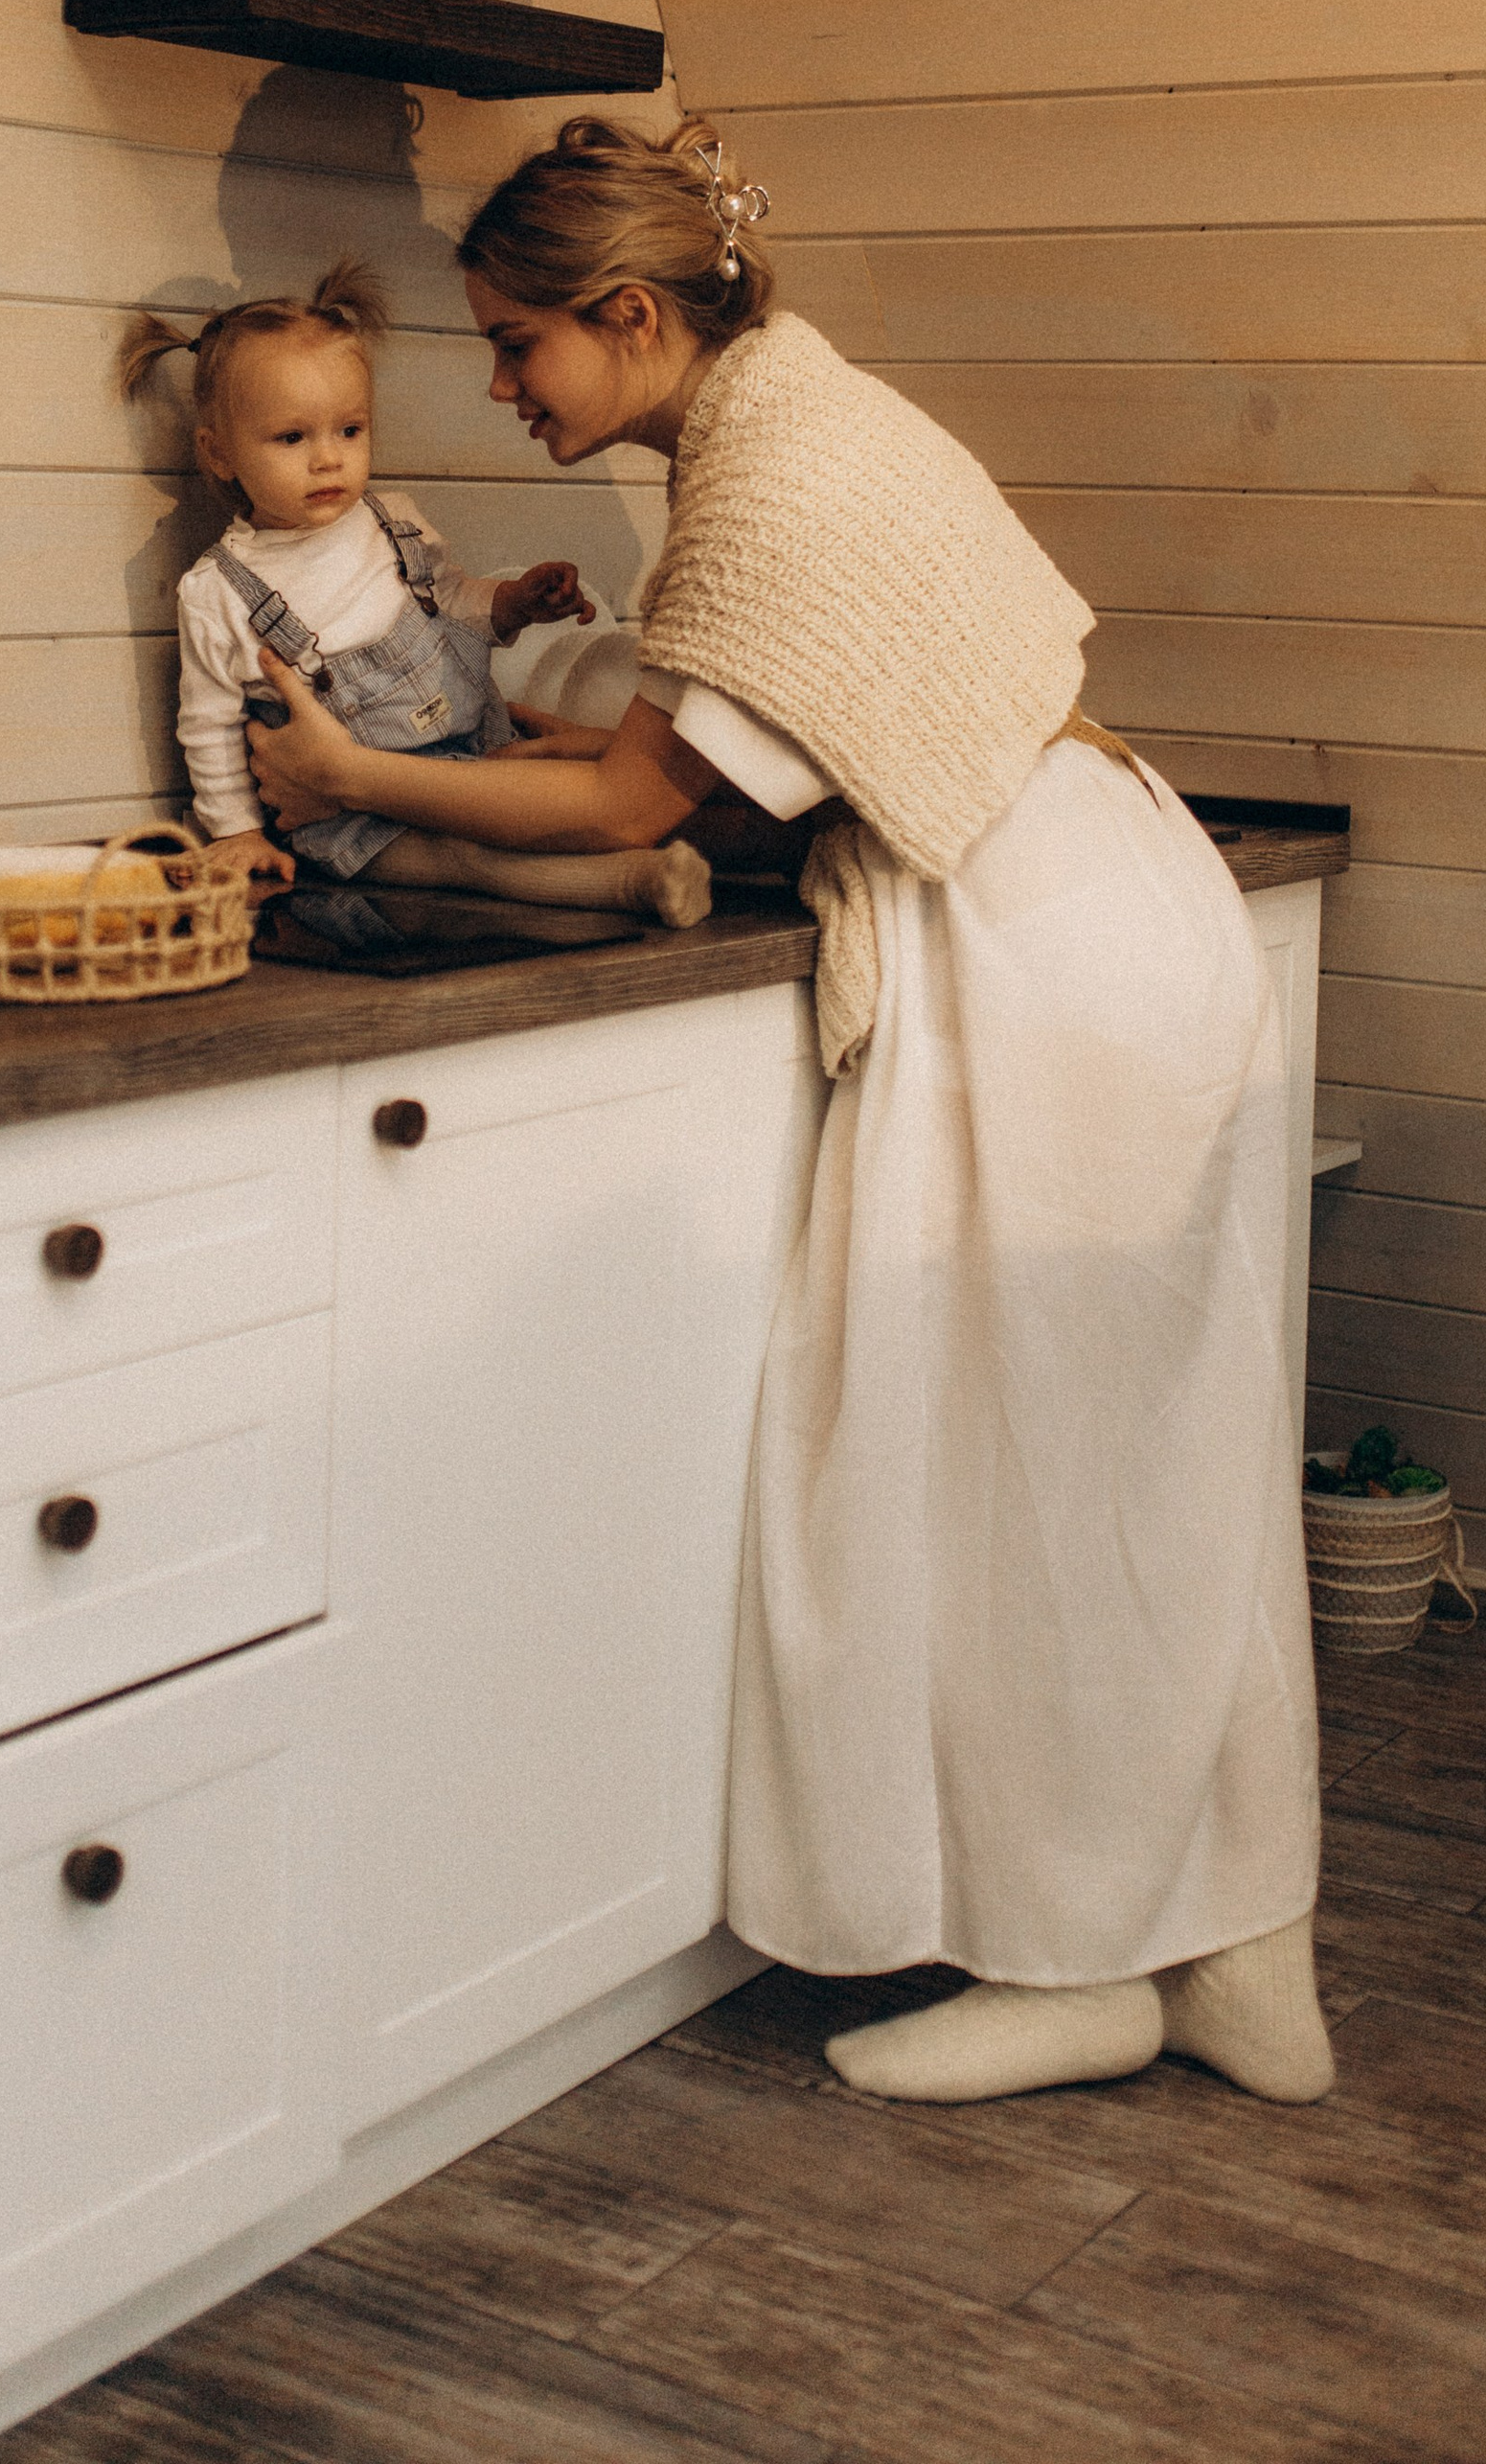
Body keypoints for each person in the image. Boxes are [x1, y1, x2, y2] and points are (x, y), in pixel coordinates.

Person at [243, 120, 1330, 2110]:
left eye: (515, 344)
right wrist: (539, 728)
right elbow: (714, 745)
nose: (499, 386)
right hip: (1113, 905)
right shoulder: (793, 412)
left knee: (1024, 1476)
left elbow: (630, 804)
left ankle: (1077, 1956)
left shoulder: (767, 479)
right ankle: (1233, 1933)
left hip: (1042, 959)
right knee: (1145, 1465)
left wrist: (346, 778)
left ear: (626, 315)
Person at [121, 262, 715, 927]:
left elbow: (453, 603)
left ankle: (679, 847)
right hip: (354, 819)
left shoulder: (393, 522)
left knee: (556, 789)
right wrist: (236, 831)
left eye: (349, 430)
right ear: (219, 454)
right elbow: (209, 726)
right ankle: (632, 883)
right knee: (467, 860)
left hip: (472, 756)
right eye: (292, 437)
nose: (328, 458)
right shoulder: (219, 591)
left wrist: (514, 602)